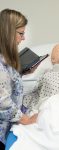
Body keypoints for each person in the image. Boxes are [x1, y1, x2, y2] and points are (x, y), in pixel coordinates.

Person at [0, 9, 37, 149]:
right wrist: (25, 119)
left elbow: (5, 84)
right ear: (8, 32)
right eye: (21, 33)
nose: (23, 38)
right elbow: (2, 102)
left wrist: (21, 73)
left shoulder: (5, 58)